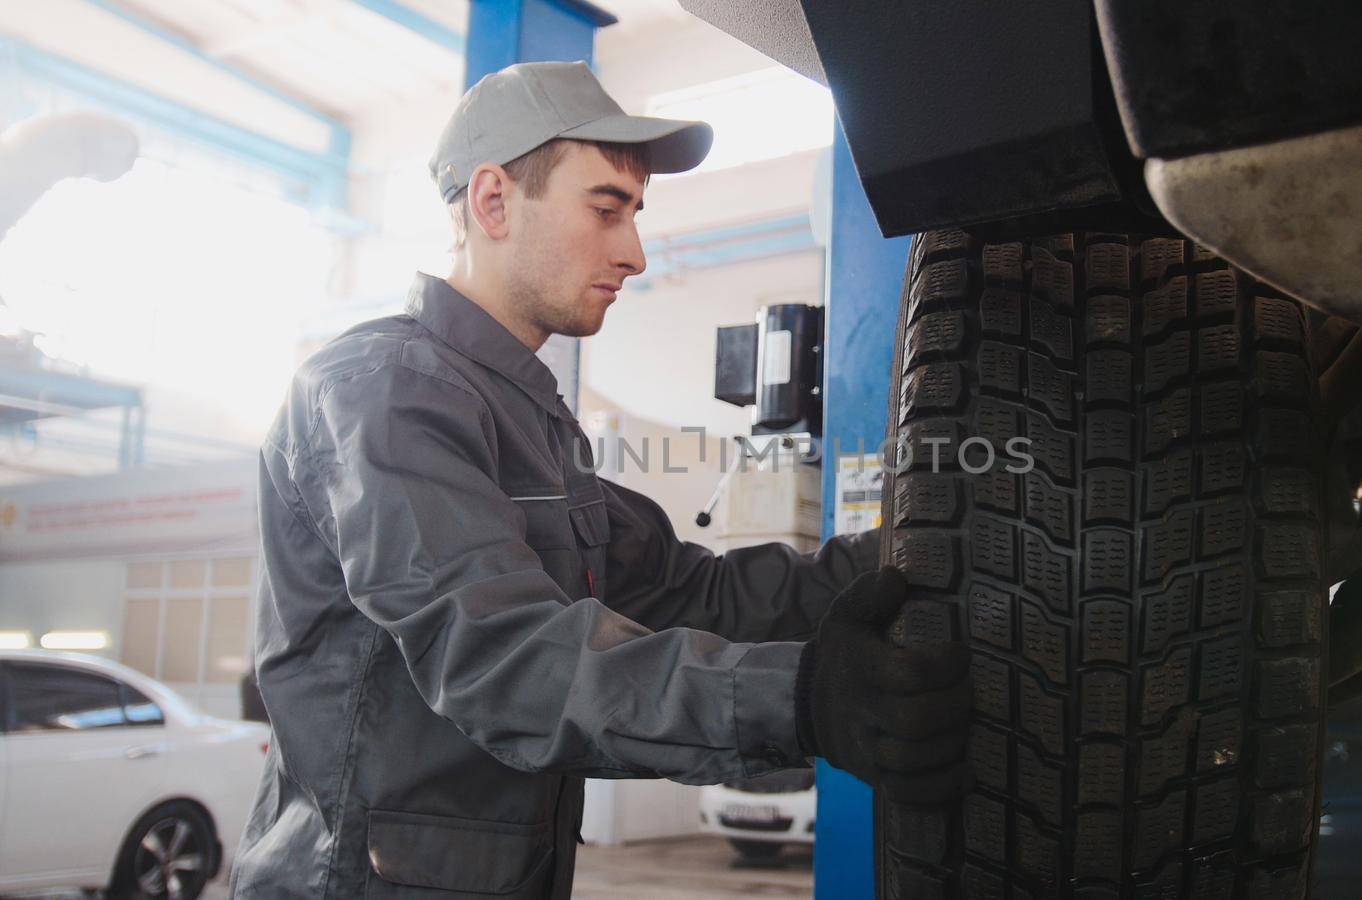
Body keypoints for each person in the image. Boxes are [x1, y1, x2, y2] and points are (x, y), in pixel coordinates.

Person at [230, 61, 970, 899]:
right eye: (606, 210)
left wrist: (914, 556)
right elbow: (499, 654)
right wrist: (795, 697)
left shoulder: (528, 420)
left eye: (635, 215)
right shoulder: (382, 388)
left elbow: (689, 592)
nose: (636, 252)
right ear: (493, 201)